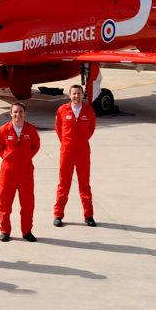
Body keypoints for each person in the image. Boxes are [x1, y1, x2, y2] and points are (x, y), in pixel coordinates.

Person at [0, 102, 41, 242]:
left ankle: (27, 231)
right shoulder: (4, 130)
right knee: (5, 202)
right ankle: (5, 230)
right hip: (8, 171)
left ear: (25, 113)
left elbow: (36, 146)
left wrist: (25, 159)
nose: (18, 115)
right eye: (15, 112)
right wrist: (10, 160)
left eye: (20, 112)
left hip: (26, 171)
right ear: (11, 113)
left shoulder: (31, 129)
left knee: (27, 202)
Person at [54, 84, 97, 227]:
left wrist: (81, 141)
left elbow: (91, 128)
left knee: (85, 185)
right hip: (67, 152)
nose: (76, 96)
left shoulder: (89, 111)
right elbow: (58, 128)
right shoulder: (62, 110)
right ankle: (58, 215)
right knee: (64, 184)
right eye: (74, 94)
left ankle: (88, 215)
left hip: (83, 152)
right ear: (69, 95)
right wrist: (67, 143)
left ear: (83, 95)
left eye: (79, 93)